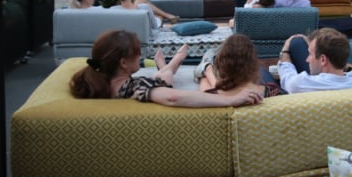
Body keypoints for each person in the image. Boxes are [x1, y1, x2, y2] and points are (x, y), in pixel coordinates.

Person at [70, 30, 261, 108]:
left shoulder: (94, 82)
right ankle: (173, 63)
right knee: (163, 80)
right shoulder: (138, 86)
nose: (140, 55)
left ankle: (169, 65)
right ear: (123, 63)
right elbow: (172, 96)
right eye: (137, 53)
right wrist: (231, 100)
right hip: (156, 86)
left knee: (160, 77)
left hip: (151, 85)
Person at [277, 27, 352, 93]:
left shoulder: (301, 84)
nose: (307, 59)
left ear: (323, 60)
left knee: (296, 42)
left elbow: (287, 78)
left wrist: (284, 51)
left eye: (309, 54)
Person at [194, 34, 285, 99]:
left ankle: (207, 64)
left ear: (221, 67)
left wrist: (208, 70)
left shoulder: (210, 97)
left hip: (216, 78)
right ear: (254, 66)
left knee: (209, 54)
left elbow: (204, 85)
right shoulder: (273, 93)